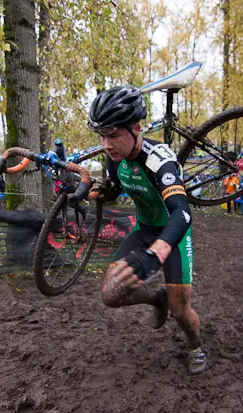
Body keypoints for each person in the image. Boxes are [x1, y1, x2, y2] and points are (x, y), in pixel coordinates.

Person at [87, 85, 207, 374]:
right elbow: (116, 187)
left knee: (181, 313)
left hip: (173, 236)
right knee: (111, 293)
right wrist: (102, 191)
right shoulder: (114, 155)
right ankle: (157, 300)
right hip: (143, 229)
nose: (106, 143)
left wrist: (154, 255)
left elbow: (182, 213)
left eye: (114, 134)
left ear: (136, 129)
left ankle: (196, 346)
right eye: (102, 135)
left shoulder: (160, 162)